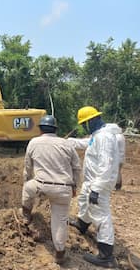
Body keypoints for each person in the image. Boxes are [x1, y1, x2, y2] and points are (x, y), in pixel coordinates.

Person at [21, 115, 81, 265]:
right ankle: (60, 253)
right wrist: (75, 186)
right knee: (60, 221)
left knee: (27, 189)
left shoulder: (34, 142)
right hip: (63, 189)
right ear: (55, 129)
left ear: (40, 129)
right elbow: (77, 168)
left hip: (40, 185)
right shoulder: (67, 144)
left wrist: (27, 180)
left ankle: (26, 214)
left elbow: (27, 167)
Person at [69, 106, 119, 268]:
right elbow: (88, 144)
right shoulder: (98, 135)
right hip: (91, 181)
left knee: (101, 215)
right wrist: (69, 142)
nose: (84, 126)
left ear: (91, 120)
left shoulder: (104, 138)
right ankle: (82, 224)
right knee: (84, 200)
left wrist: (96, 189)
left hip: (99, 183)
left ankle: (106, 256)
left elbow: (106, 165)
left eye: (85, 124)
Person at [68, 123, 125, 190]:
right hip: (119, 157)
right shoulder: (118, 135)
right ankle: (116, 186)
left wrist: (70, 141)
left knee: (106, 171)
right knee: (117, 172)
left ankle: (110, 186)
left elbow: (88, 143)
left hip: (110, 158)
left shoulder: (105, 136)